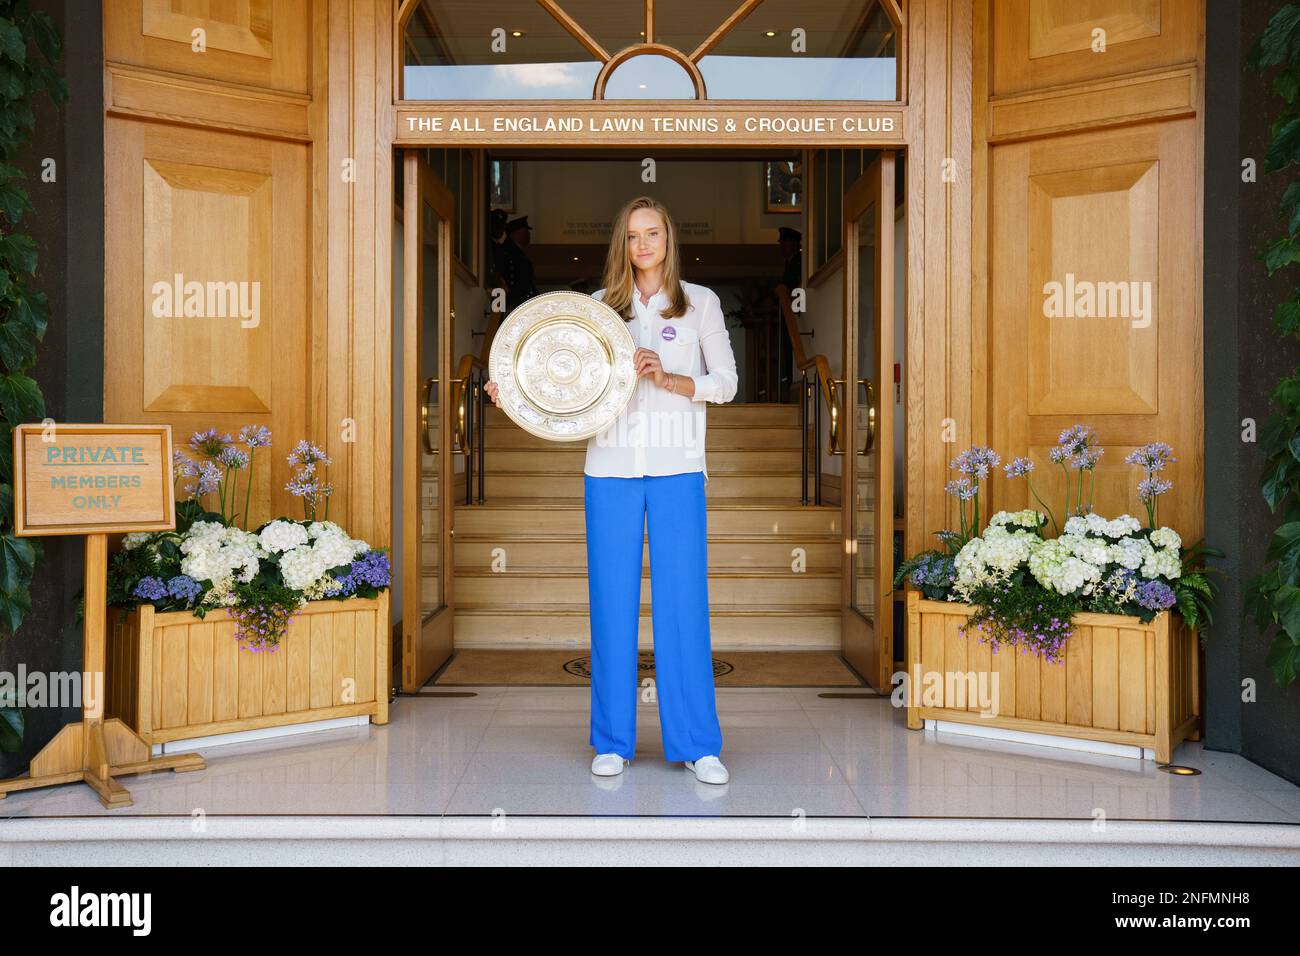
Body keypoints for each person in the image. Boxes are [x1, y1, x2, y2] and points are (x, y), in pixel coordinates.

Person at [486, 196, 738, 785]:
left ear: (668, 240)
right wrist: (514, 391)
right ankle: (612, 741)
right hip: (609, 470)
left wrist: (669, 377)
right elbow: (560, 381)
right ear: (621, 245)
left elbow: (726, 383)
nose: (643, 244)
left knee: (684, 607)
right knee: (611, 605)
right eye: (632, 236)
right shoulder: (597, 308)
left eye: (652, 234)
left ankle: (698, 744)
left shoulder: (700, 302)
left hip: (678, 469)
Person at [497, 214, 539, 313]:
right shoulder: (507, 253)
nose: (529, 234)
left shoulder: (516, 253)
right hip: (513, 303)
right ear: (517, 233)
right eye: (526, 231)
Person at [778, 225, 802, 292]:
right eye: (781, 243)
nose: (781, 246)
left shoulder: (798, 263)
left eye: (785, 244)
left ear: (794, 244)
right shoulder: (789, 262)